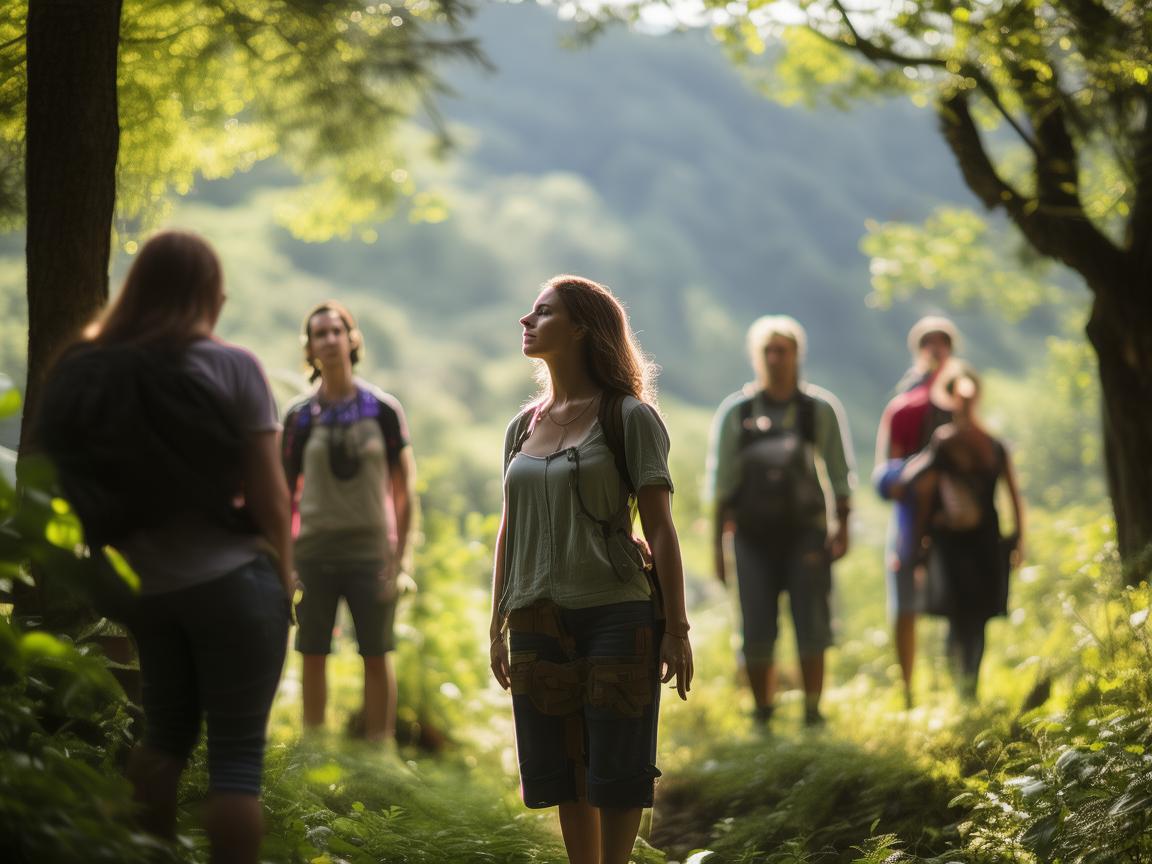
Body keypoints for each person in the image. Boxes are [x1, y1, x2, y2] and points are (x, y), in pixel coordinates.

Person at [43, 230, 293, 864]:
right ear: (208, 295)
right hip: (234, 586)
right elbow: (271, 498)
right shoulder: (232, 365)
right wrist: (283, 579)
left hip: (146, 591)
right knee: (237, 763)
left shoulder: (83, 369)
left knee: (162, 741)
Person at [488, 275, 693, 864]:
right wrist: (497, 620)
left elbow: (660, 529)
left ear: (581, 328)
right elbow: (509, 529)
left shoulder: (629, 417)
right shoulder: (521, 426)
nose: (526, 321)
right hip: (534, 614)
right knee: (562, 769)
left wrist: (675, 629)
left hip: (617, 611)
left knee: (618, 769)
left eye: (543, 312)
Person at [707, 315, 855, 728]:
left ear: (796, 355)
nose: (775, 358)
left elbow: (841, 474)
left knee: (813, 623)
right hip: (750, 538)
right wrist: (718, 551)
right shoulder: (735, 413)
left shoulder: (818, 410)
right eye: (767, 351)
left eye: (782, 350)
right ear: (757, 357)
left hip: (806, 534)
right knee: (754, 627)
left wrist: (842, 528)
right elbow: (720, 486)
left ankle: (812, 712)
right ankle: (762, 714)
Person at [282, 301, 415, 745]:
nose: (330, 339)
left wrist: (398, 561)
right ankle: (313, 752)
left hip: (370, 552)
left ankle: (381, 754)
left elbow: (403, 492)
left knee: (377, 653)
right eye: (320, 333)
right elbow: (283, 495)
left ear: (351, 339)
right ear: (311, 349)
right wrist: (285, 562)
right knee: (313, 652)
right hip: (313, 552)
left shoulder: (383, 410)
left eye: (337, 330)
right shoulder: (300, 417)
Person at [902, 364, 1024, 700]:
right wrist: (921, 541)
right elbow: (922, 489)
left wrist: (1019, 538)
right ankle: (961, 687)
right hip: (953, 541)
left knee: (978, 613)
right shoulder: (944, 443)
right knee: (957, 612)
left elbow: (1013, 493)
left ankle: (968, 686)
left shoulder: (992, 445)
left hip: (984, 538)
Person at [873, 315, 959, 708]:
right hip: (910, 517)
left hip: (957, 518)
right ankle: (909, 691)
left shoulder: (963, 400)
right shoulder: (903, 407)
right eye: (929, 343)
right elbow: (885, 473)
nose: (936, 349)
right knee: (906, 603)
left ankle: (956, 688)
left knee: (957, 602)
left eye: (943, 342)